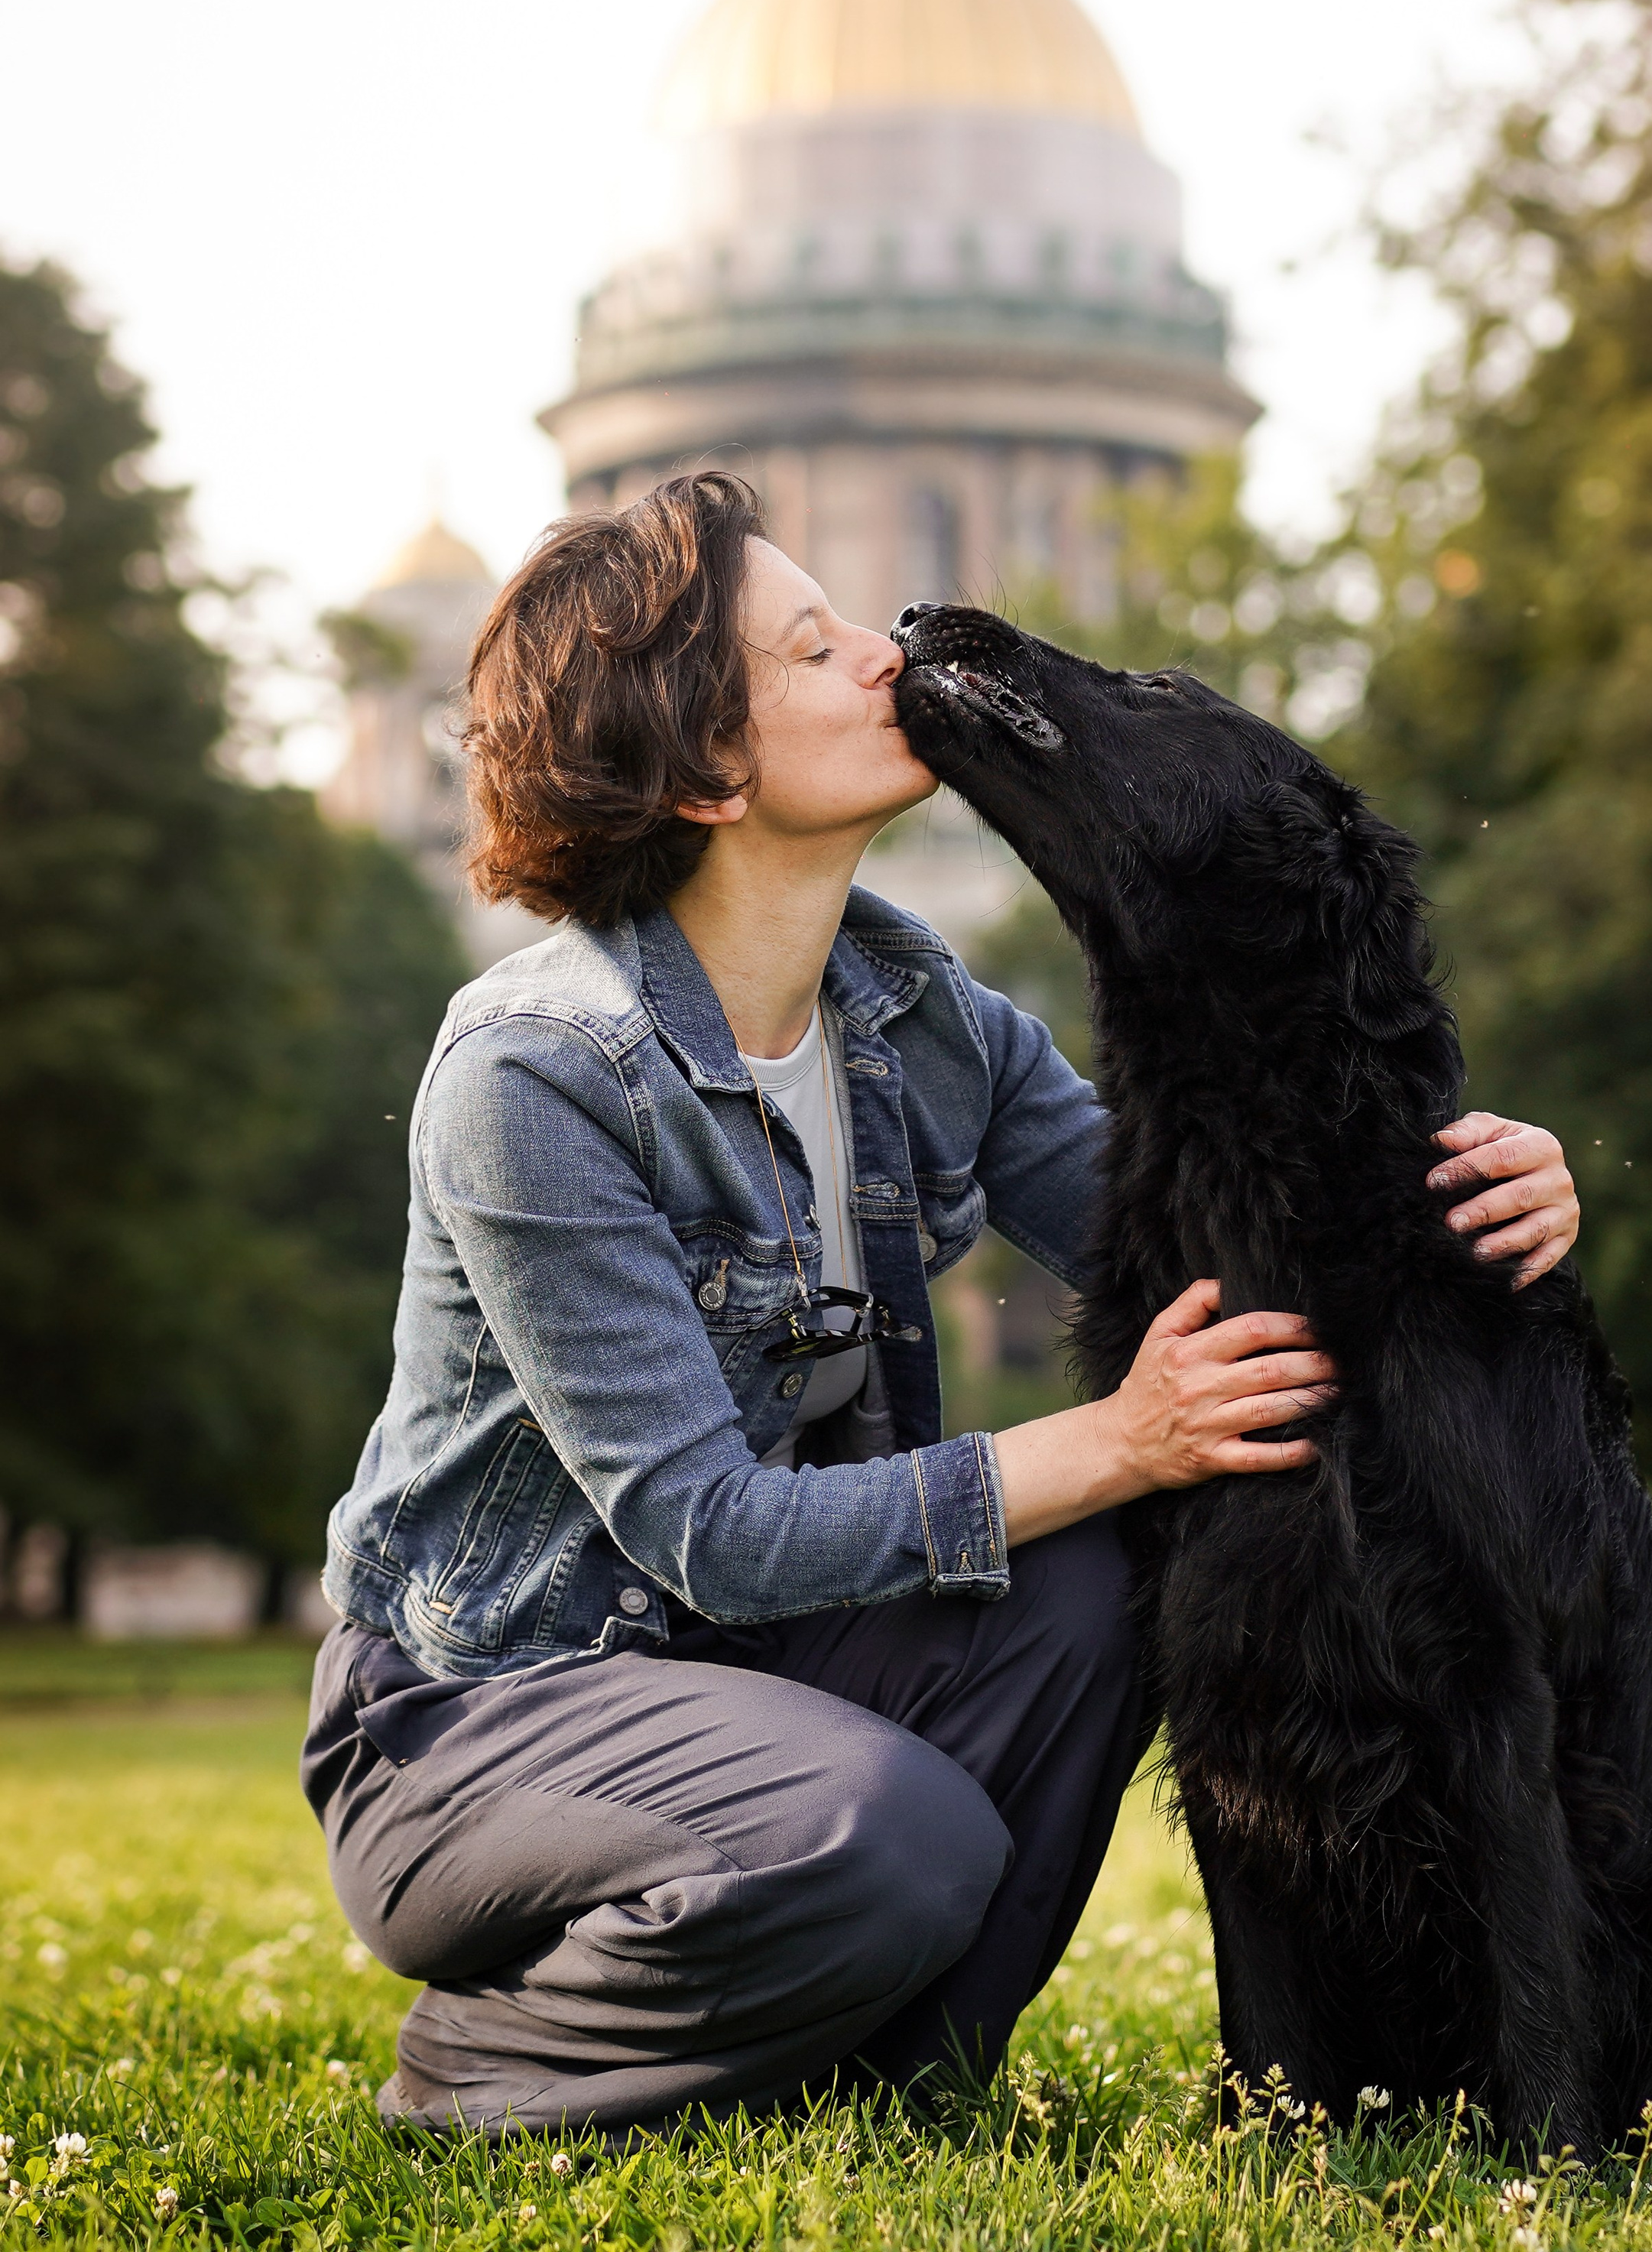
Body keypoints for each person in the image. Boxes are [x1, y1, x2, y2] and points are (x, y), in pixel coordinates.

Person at [304, 470, 1581, 2141]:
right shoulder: (536, 1074)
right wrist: (1121, 1435)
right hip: (481, 1719)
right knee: (893, 1817)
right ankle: (487, 2063)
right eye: (810, 645)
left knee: (1126, 1552)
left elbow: (1233, 1248)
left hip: (750, 1676)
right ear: (701, 764)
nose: (880, 651)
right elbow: (711, 1530)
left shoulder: (918, 1013)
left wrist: (1486, 1191)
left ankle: (890, 2083)